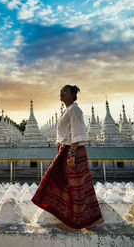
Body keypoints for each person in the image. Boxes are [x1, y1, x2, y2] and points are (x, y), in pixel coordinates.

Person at [31, 85, 104, 230]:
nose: (61, 93)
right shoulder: (68, 110)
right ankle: (69, 214)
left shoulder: (74, 110)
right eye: (61, 91)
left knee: (77, 185)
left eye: (65, 91)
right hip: (66, 150)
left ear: (72, 94)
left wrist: (72, 154)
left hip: (73, 151)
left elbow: (77, 132)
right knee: (63, 182)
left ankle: (86, 219)